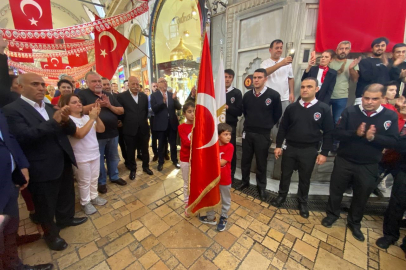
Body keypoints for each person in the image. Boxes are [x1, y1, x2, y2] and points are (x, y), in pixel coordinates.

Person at [3, 73, 88, 251]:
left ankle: (66, 218)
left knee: (66, 194)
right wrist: (54, 122)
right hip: (41, 165)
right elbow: (24, 137)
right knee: (45, 204)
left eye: (42, 84)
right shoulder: (12, 110)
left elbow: (70, 130)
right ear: (20, 87)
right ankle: (51, 235)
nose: (41, 88)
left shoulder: (50, 107)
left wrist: (65, 121)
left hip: (62, 159)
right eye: (35, 84)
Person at [322, 84, 399, 242]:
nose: (369, 102)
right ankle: (332, 215)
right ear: (362, 97)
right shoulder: (350, 111)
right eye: (366, 98)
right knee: (336, 190)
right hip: (345, 160)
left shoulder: (390, 116)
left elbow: (393, 141)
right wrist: (355, 134)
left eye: (374, 98)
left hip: (368, 164)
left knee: (361, 195)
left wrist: (373, 138)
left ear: (382, 99)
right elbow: (337, 133)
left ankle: (354, 222)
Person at [272, 78, 334, 218]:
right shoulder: (292, 107)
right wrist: (278, 146)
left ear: (316, 89)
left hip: (309, 149)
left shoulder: (323, 108)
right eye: (303, 87)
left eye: (309, 87)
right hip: (290, 147)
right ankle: (282, 196)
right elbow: (283, 128)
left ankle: (302, 202)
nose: (305, 89)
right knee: (285, 174)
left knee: (305, 178)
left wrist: (324, 153)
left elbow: (329, 132)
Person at [0, 110, 53, 270]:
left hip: (9, 178)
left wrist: (22, 164)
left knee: (10, 222)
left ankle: (13, 263)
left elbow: (8, 138)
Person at [237, 68, 282, 201]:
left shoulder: (273, 95)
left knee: (261, 162)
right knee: (245, 160)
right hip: (248, 133)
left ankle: (261, 187)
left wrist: (266, 124)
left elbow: (277, 114)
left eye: (259, 77)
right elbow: (245, 112)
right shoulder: (247, 95)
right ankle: (245, 182)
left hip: (263, 134)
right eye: (255, 77)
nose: (256, 80)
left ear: (265, 79)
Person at [78, 71, 126, 194]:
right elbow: (79, 110)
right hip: (96, 135)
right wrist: (96, 104)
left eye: (99, 81)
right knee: (98, 160)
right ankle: (101, 181)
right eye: (94, 81)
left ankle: (114, 176)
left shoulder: (108, 94)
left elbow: (121, 110)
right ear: (87, 83)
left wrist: (109, 105)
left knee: (113, 157)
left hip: (113, 133)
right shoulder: (82, 94)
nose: (98, 83)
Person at [60, 94, 108, 215]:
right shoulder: (68, 121)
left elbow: (101, 129)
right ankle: (85, 202)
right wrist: (92, 119)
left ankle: (94, 196)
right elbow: (79, 134)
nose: (79, 104)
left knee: (94, 177)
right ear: (66, 106)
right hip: (81, 156)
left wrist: (96, 117)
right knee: (84, 180)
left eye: (79, 101)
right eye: (74, 102)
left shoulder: (87, 117)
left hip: (94, 153)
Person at [375, 103, 406, 251]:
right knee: (397, 202)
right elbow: (398, 144)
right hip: (403, 168)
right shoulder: (397, 120)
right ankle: (390, 235)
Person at [199, 123, 234, 231]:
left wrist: (208, 161)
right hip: (213, 179)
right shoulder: (213, 146)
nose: (229, 137)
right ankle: (211, 217)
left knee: (225, 199)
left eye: (229, 134)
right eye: (225, 134)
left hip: (224, 179)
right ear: (218, 136)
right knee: (211, 198)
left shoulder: (230, 147)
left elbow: (222, 163)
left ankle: (224, 217)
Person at [117, 76, 153, 180]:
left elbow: (145, 111)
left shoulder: (143, 96)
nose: (135, 86)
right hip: (129, 129)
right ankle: (133, 169)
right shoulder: (122, 96)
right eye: (133, 84)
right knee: (131, 151)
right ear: (128, 84)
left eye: (137, 84)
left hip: (143, 128)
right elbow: (121, 113)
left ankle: (146, 167)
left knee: (145, 150)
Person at [260, 39, 294, 140]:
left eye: (280, 48)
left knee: (284, 121)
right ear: (270, 50)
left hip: (284, 97)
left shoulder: (287, 62)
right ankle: (269, 140)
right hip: (269, 98)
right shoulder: (265, 63)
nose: (279, 50)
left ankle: (280, 141)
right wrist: (280, 64)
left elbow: (291, 78)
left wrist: (291, 92)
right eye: (276, 48)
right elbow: (264, 73)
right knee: (269, 120)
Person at [150, 77, 182, 171]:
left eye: (165, 81)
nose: (164, 83)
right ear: (158, 84)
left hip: (172, 123)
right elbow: (154, 109)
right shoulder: (154, 95)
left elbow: (179, 107)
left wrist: (175, 99)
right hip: (161, 124)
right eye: (162, 82)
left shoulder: (171, 94)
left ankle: (175, 160)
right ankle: (160, 162)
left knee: (173, 144)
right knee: (161, 145)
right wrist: (163, 102)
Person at [329, 41, 360, 123]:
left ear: (349, 50)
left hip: (341, 96)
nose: (343, 51)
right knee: (324, 119)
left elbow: (355, 79)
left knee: (337, 120)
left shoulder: (352, 63)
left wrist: (351, 69)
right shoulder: (329, 61)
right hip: (327, 95)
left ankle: (335, 136)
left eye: (346, 49)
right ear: (336, 50)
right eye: (341, 48)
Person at [354, 37, 390, 105]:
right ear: (372, 48)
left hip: (382, 98)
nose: (380, 48)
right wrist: (383, 66)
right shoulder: (365, 61)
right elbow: (367, 77)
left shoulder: (389, 62)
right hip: (365, 97)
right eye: (377, 46)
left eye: (382, 46)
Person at [224, 69, 243, 182]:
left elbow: (239, 112)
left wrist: (228, 107)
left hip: (230, 127)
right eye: (225, 76)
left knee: (230, 149)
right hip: (218, 126)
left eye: (230, 77)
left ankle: (231, 174)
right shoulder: (217, 92)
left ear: (232, 78)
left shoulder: (236, 93)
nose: (227, 79)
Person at [178, 102, 195, 213]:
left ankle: (195, 200)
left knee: (195, 180)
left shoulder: (198, 125)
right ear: (184, 114)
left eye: (194, 111)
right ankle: (187, 202)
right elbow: (186, 142)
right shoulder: (182, 127)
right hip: (185, 158)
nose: (192, 114)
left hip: (197, 159)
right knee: (186, 182)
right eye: (189, 112)